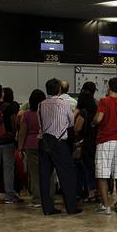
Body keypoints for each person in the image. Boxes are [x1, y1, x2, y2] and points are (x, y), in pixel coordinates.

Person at [38, 78, 81, 215]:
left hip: (44, 142)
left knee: (45, 176)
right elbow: (71, 122)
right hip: (60, 143)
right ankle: (71, 207)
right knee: (66, 175)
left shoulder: (41, 104)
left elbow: (40, 123)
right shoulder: (64, 104)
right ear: (59, 90)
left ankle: (48, 208)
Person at [93, 77, 117, 215]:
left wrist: (95, 121)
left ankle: (106, 205)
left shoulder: (104, 101)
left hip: (105, 140)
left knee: (102, 174)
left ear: (109, 87)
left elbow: (98, 118)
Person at [17, 89, 46, 208]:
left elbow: (22, 133)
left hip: (31, 145)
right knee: (47, 172)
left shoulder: (27, 115)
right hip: (44, 144)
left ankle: (37, 199)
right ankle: (48, 197)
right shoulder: (45, 113)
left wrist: (20, 148)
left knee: (34, 174)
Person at [74, 89, 98, 202]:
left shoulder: (83, 112)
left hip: (86, 143)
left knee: (86, 169)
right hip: (96, 142)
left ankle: (89, 192)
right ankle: (96, 191)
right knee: (94, 168)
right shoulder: (97, 111)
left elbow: (77, 128)